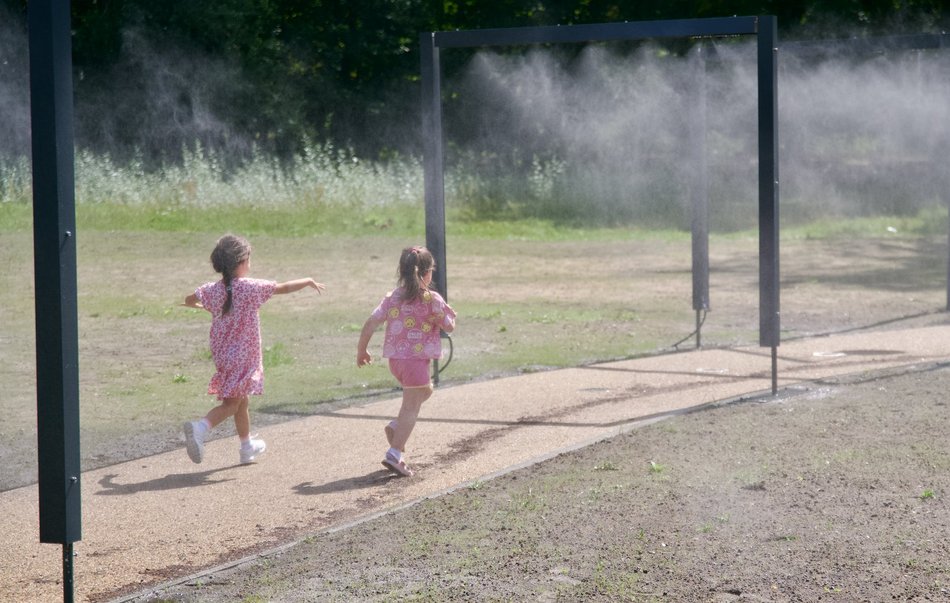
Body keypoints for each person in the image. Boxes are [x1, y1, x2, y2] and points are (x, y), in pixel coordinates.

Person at [182, 234, 325, 465]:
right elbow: (283, 288)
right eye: (248, 259)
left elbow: (189, 299)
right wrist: (307, 280)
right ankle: (200, 428)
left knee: (241, 400)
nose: (250, 264)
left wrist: (199, 304)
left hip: (223, 356)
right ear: (240, 262)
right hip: (244, 357)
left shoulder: (212, 290)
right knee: (232, 404)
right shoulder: (250, 288)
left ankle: (246, 447)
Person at [357, 246, 456, 477]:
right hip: (415, 362)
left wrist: (362, 350)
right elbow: (449, 326)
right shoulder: (432, 299)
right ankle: (394, 455)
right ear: (428, 273)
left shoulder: (392, 298)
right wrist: (451, 315)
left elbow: (371, 322)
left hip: (396, 361)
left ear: (401, 271)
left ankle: (396, 427)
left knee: (426, 390)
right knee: (411, 407)